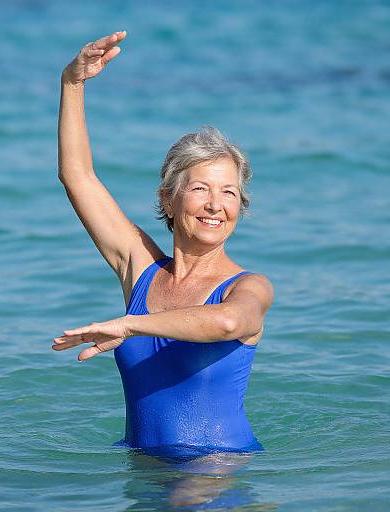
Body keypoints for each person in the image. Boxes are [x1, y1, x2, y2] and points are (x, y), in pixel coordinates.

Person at [53, 31, 274, 460]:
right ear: (168, 199)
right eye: (200, 189)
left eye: (229, 192)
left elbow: (229, 323)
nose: (215, 204)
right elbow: (77, 176)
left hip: (214, 473)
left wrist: (130, 325)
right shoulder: (141, 269)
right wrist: (72, 84)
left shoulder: (249, 288)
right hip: (143, 467)